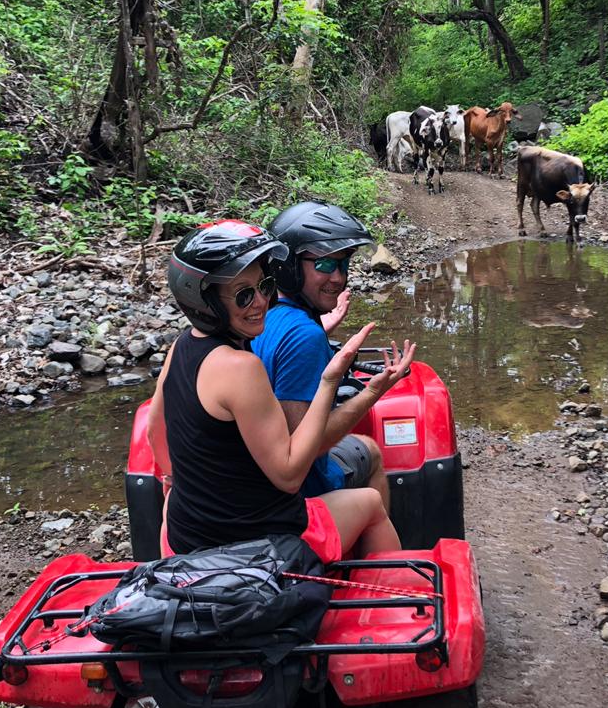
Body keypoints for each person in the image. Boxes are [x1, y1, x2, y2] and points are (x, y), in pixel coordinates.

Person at [146, 219, 412, 562]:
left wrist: (178, 487)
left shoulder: (180, 347)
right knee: (371, 504)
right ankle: (382, 602)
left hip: (183, 538)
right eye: (244, 295)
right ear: (204, 300)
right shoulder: (241, 368)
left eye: (265, 286)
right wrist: (330, 382)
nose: (261, 302)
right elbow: (288, 475)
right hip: (255, 549)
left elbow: (156, 430)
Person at [252, 201, 399, 505]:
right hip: (299, 493)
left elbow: (279, 354)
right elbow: (307, 446)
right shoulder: (305, 335)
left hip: (255, 478)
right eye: (324, 265)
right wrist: (373, 392)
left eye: (343, 265)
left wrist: (322, 331)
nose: (338, 277)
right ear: (289, 266)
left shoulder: (259, 314)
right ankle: (368, 549)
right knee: (369, 450)